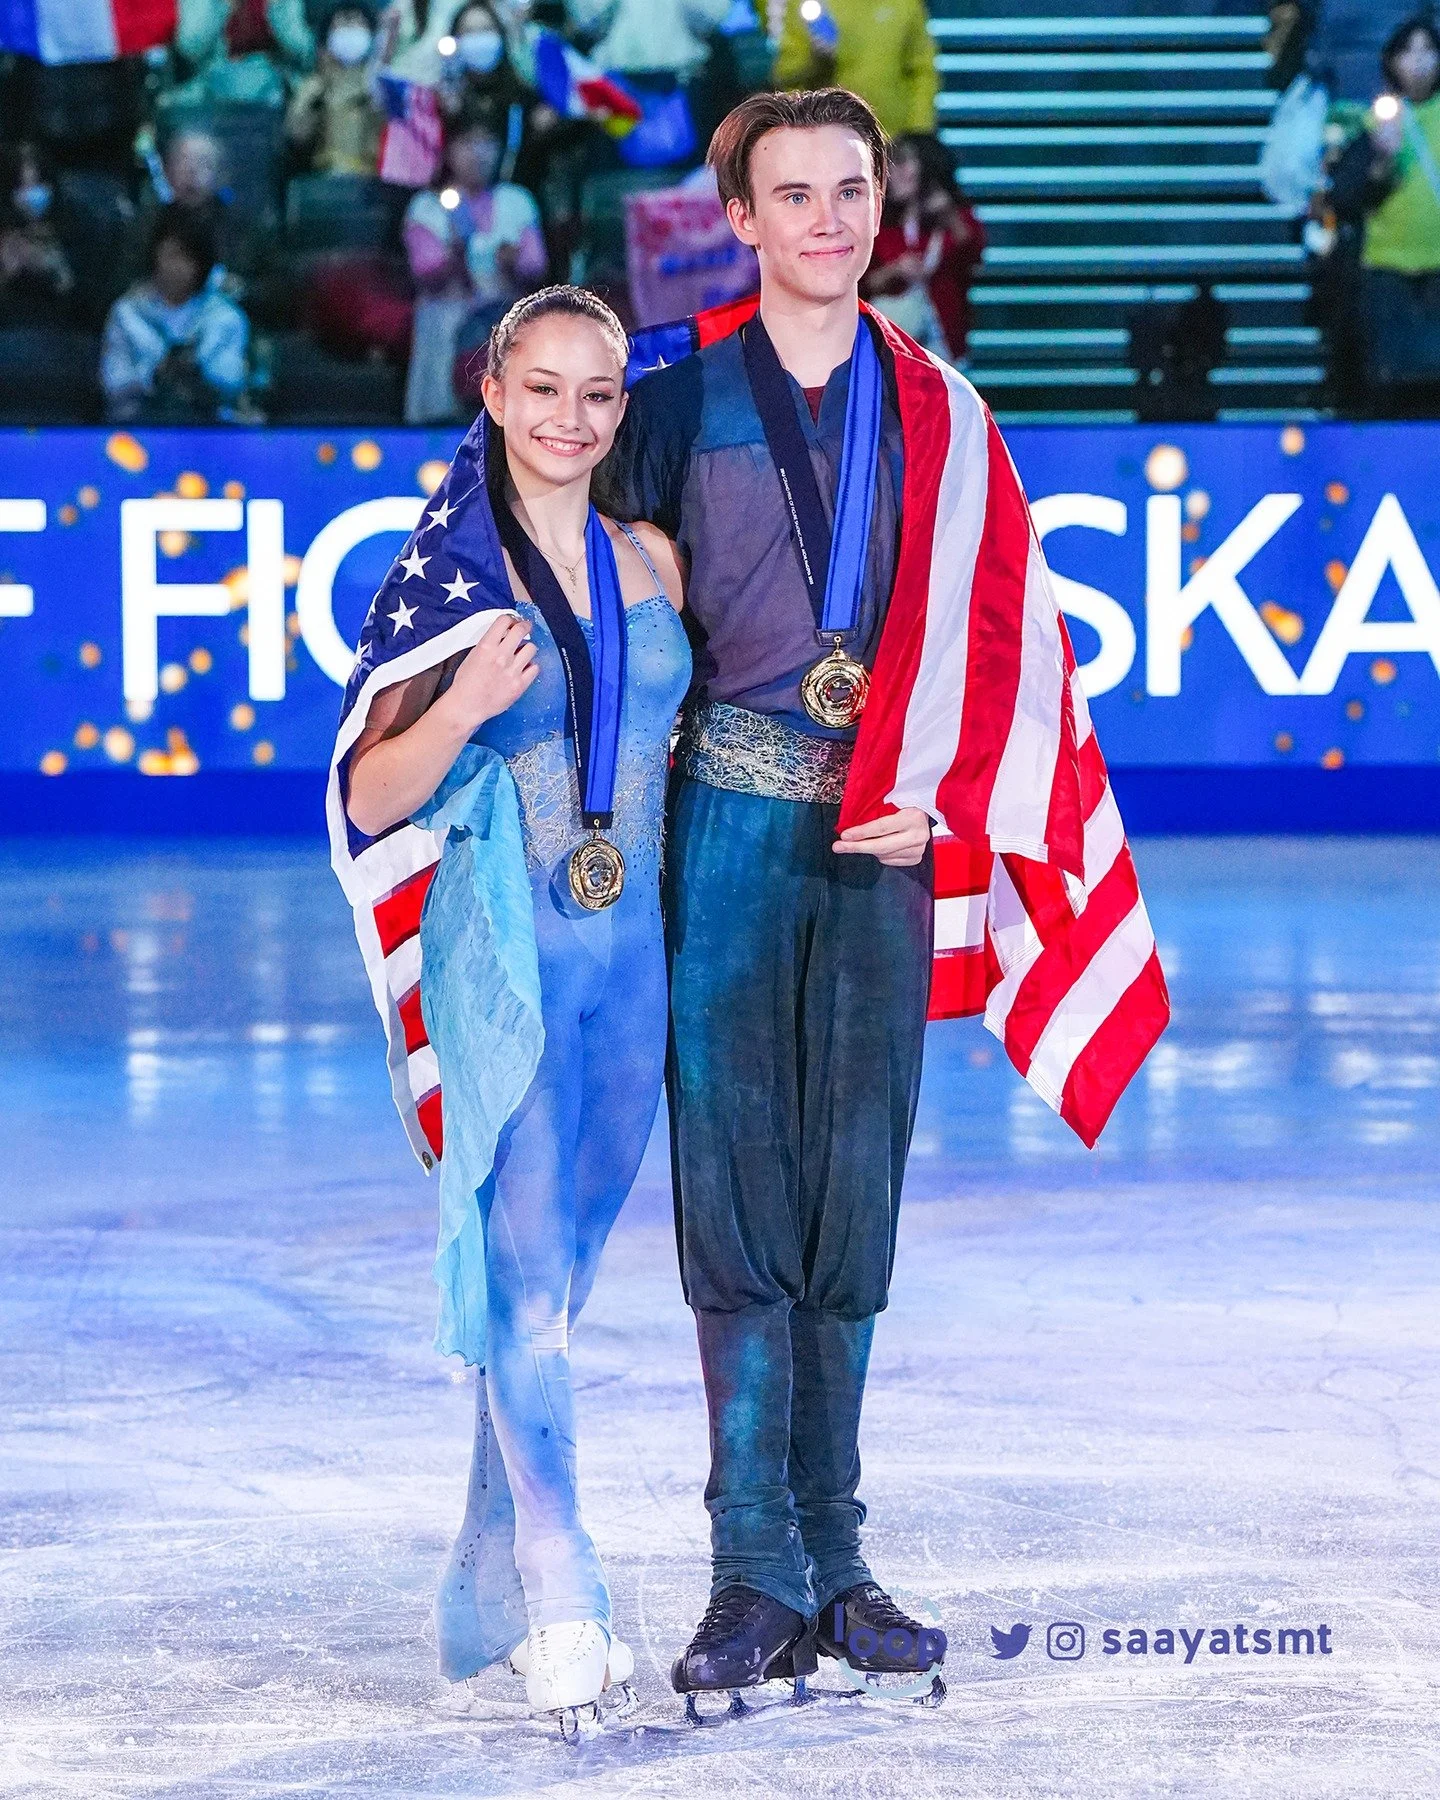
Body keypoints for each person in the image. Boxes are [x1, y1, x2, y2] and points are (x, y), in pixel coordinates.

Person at [610, 85, 1167, 1711]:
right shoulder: (682, 394)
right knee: (738, 1190)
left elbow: (1004, 640)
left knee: (852, 1186)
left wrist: (941, 778)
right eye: (795, 195)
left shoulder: (942, 412)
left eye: (850, 189)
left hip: (888, 843)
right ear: (743, 217)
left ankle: (836, 1560)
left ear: (879, 205)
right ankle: (748, 1573)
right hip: (725, 833)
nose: (829, 220)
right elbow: (616, 598)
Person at [338, 284, 691, 1730]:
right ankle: (565, 1600)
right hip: (512, 969)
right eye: (540, 389)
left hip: (639, 972)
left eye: (596, 393)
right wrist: (464, 706)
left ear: (622, 404)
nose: (568, 419)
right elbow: (366, 795)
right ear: (491, 392)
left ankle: (485, 1575)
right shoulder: (454, 587)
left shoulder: (651, 560)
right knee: (529, 1286)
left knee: (552, 1282)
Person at [402, 106, 548, 422]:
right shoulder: (427, 207)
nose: (478, 154)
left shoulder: (516, 201)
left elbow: (536, 266)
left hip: (503, 321)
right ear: (450, 149)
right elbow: (425, 273)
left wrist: (513, 263)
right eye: (468, 143)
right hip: (446, 319)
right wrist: (454, 256)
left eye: (487, 143)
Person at [1330, 15, 1440, 408]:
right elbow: (1348, 199)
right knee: (1394, 384)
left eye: (1428, 50)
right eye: (1409, 51)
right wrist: (1379, 160)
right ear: (1392, 60)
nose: (1420, 61)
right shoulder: (1375, 121)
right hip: (1388, 271)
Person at [100, 208, 250, 422]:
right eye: (171, 255)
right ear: (154, 256)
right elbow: (114, 381)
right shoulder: (127, 314)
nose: (178, 267)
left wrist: (196, 374)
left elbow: (232, 379)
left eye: (188, 258)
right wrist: (153, 374)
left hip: (210, 429)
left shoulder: (225, 317)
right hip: (140, 427)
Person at [862, 130, 984, 363]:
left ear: (926, 165)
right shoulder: (880, 223)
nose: (892, 173)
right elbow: (862, 283)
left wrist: (949, 215)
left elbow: (972, 253)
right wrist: (895, 270)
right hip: (894, 344)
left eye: (901, 162)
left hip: (946, 340)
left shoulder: (952, 217)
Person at [773, 0, 937, 138]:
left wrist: (918, 133)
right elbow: (787, 76)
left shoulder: (905, 3)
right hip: (825, 140)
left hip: (893, 142)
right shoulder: (805, 4)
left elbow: (922, 72)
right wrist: (816, 60)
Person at [286, 0, 385, 174]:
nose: (350, 31)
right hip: (326, 180)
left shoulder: (380, 86)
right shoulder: (314, 86)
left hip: (369, 183)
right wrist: (313, 99)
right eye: (342, 24)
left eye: (357, 23)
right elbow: (296, 137)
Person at [169, 0, 316, 107]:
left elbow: (304, 52)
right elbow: (190, 48)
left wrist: (277, 13)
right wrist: (223, 6)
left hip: (273, 92)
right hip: (210, 92)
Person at [0, 142, 76, 330]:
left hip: (56, 331)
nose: (30, 195)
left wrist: (57, 270)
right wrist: (7, 272)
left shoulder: (71, 231)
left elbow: (80, 300)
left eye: (37, 184)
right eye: (23, 187)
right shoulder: (6, 236)